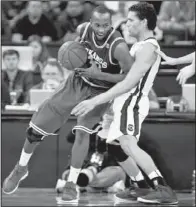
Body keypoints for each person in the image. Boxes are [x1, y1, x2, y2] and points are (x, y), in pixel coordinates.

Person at [3, 5, 134, 204]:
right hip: (78, 81)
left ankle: (72, 184)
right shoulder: (82, 30)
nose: (100, 29)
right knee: (35, 130)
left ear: (111, 24)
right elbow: (74, 50)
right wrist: (71, 57)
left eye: (105, 25)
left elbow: (129, 78)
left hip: (101, 91)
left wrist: (99, 74)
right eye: (97, 24)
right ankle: (21, 168)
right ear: (90, 22)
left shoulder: (119, 46)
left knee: (82, 132)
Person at [72, 2, 178, 205]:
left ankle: (162, 187)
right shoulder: (138, 45)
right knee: (114, 148)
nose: (126, 24)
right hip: (122, 101)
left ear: (144, 22)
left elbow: (130, 81)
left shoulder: (149, 47)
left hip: (132, 100)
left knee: (128, 143)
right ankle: (140, 186)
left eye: (131, 20)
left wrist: (97, 99)